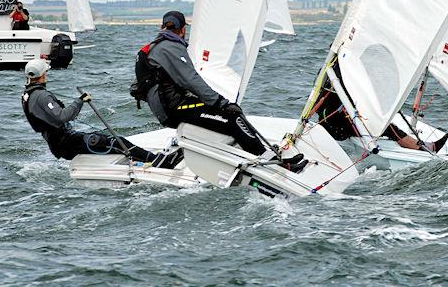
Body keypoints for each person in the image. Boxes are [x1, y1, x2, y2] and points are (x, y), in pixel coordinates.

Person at [139, 10, 307, 172]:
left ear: (163, 27)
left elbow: (142, 87)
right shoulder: (171, 47)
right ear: (183, 29)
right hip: (175, 109)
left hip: (169, 109)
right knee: (232, 116)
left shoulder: (154, 47)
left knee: (227, 113)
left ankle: (266, 155)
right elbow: (192, 80)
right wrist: (221, 102)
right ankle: (273, 163)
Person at [21, 58, 182, 168]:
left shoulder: (28, 95)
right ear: (42, 75)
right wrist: (80, 101)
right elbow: (63, 116)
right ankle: (159, 162)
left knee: (106, 139)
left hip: (61, 142)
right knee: (116, 142)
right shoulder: (41, 96)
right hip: (65, 143)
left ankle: (145, 160)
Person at [312, 74, 448, 154]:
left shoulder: (327, 76)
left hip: (328, 125)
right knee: (387, 127)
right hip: (338, 129)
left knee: (378, 122)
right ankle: (424, 148)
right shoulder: (343, 79)